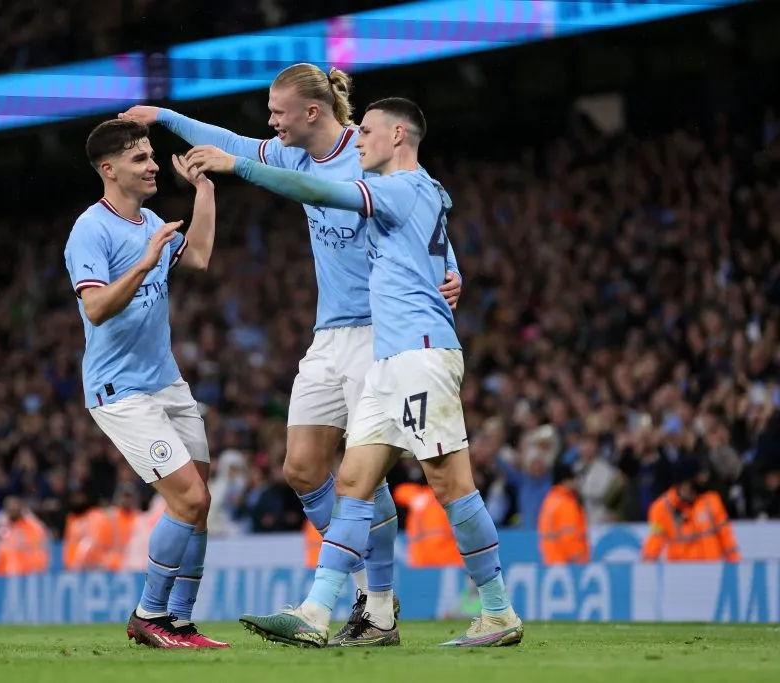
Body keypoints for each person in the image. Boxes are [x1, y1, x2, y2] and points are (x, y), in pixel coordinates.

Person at [121, 63, 463, 646]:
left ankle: (377, 605)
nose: (270, 121)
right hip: (328, 334)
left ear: (312, 111)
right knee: (302, 469)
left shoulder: (369, 151)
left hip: (381, 330)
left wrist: (451, 269)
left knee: (364, 477)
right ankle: (367, 594)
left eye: (278, 111)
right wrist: (165, 116)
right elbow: (229, 143)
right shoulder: (294, 155)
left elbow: (424, 210)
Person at [185, 96, 523, 648]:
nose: (357, 140)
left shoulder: (399, 188)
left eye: (366, 131)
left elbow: (321, 191)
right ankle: (319, 613)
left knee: (449, 483)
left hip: (419, 353)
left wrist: (237, 166)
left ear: (397, 136)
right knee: (352, 482)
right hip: (390, 359)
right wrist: (451, 270)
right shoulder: (424, 189)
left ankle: (498, 611)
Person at [65, 118, 227, 648]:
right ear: (109, 170)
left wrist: (204, 190)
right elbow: (95, 308)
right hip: (120, 391)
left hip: (166, 383)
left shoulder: (149, 220)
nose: (154, 165)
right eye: (140, 158)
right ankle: (149, 615)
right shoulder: (91, 230)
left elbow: (198, 256)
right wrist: (143, 263)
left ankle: (180, 620)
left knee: (199, 502)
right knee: (188, 499)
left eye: (152, 155)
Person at [642, 458, 740, 562]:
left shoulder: (712, 501)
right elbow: (654, 543)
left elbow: (727, 538)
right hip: (681, 570)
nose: (704, 479)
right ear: (686, 482)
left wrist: (735, 565)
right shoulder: (662, 508)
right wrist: (647, 567)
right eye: (700, 477)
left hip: (712, 569)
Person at [537, 461, 590, 565]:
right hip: (568, 564)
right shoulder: (566, 503)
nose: (576, 482)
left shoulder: (549, 500)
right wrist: (577, 559)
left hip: (551, 561)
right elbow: (569, 535)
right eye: (573, 478)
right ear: (566, 480)